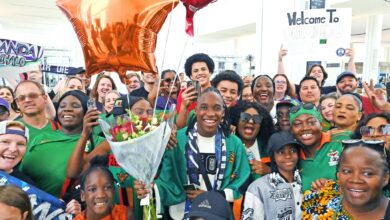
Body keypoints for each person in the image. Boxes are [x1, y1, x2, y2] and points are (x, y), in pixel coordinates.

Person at [135, 88, 250, 219]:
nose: (210, 113)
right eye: (204, 107)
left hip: (216, 214)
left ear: (223, 112)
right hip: (181, 213)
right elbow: (169, 181)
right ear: (195, 110)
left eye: (217, 108)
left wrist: (210, 196)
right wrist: (150, 189)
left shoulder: (233, 143)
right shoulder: (176, 140)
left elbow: (242, 181)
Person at [20, 90, 104, 197]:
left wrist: (85, 133)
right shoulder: (40, 138)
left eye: (75, 106)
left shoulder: (97, 142)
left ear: (87, 112)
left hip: (70, 209)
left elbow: (76, 173)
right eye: (62, 106)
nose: (67, 109)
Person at [302, 140, 390, 219]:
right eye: (347, 171)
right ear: (338, 175)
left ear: (385, 178)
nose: (355, 180)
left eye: (367, 173)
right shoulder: (318, 214)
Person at [242, 132, 303, 220]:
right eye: (281, 152)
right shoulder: (258, 188)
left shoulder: (305, 180)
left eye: (293, 150)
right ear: (273, 157)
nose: (288, 155)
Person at [289, 103, 343, 191]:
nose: (305, 128)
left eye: (311, 122)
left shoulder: (340, 140)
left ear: (321, 125)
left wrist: (332, 187)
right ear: (292, 130)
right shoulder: (292, 157)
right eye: (297, 124)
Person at [278, 45, 356, 95]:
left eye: (319, 71)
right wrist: (280, 60)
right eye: (313, 71)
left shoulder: (330, 90)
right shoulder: (300, 88)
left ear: (323, 76)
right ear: (308, 75)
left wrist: (351, 60)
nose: (316, 73)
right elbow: (282, 80)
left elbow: (350, 80)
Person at [233, 101, 274, 181]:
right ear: (237, 121)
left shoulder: (270, 146)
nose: (251, 122)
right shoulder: (228, 144)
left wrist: (269, 171)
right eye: (245, 117)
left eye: (257, 118)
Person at [176, 53, 215, 129]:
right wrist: (184, 106)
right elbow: (180, 127)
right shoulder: (185, 94)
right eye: (196, 71)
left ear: (210, 72)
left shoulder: (218, 91)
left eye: (203, 69)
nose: (200, 73)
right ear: (191, 76)